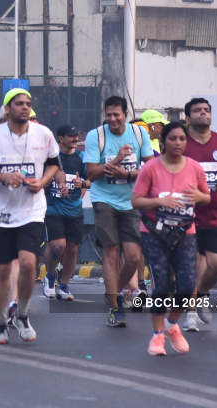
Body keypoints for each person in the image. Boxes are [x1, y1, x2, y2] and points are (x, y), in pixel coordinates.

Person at [0, 88, 60, 345]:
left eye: (28, 104)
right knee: (3, 268)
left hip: (31, 209)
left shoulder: (43, 134)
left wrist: (42, 181)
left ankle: (21, 313)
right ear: (7, 109)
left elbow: (54, 163)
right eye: (19, 103)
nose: (25, 107)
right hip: (0, 213)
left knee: (29, 263)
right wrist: (4, 177)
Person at [132, 122, 210, 357]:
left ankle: (171, 324)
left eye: (182, 139)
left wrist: (200, 196)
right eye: (173, 139)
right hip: (155, 232)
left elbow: (206, 197)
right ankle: (157, 336)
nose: (178, 143)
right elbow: (136, 201)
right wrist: (159, 202)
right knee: (162, 284)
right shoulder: (151, 168)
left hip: (185, 231)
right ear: (163, 141)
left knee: (187, 286)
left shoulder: (195, 168)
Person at [83, 95, 153, 328]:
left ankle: (116, 291)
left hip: (132, 200)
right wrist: (117, 159)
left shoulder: (139, 134)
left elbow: (150, 169)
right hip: (104, 200)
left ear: (125, 115)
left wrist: (128, 175)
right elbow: (91, 174)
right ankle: (115, 308)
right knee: (111, 252)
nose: (112, 119)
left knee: (133, 256)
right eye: (109, 115)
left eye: (117, 115)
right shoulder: (96, 136)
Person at [180, 98, 217, 332]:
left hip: (214, 214)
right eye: (197, 111)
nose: (203, 114)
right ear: (188, 117)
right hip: (185, 214)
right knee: (192, 265)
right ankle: (190, 311)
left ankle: (202, 294)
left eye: (206, 110)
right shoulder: (180, 142)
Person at [42, 124, 86, 304]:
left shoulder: (81, 157)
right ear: (60, 138)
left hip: (74, 210)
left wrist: (81, 185)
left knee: (73, 249)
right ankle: (50, 276)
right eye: (71, 136)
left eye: (76, 136)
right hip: (53, 209)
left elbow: (89, 180)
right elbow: (41, 180)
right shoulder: (51, 158)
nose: (75, 139)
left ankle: (64, 284)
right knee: (58, 246)